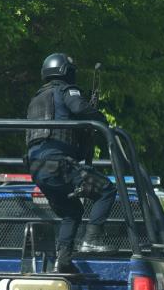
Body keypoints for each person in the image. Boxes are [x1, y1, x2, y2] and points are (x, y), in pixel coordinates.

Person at [26, 52, 117, 272]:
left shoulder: (35, 100)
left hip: (38, 170)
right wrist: (101, 122)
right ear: (66, 72)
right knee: (106, 189)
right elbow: (79, 108)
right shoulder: (66, 90)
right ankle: (92, 239)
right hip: (58, 165)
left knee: (72, 211)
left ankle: (63, 261)